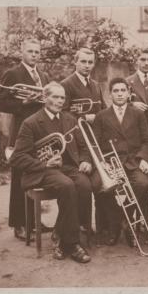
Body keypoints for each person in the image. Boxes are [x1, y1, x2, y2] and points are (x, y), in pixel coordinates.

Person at [9, 82, 93, 263]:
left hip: (68, 167)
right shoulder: (30, 122)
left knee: (85, 185)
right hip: (43, 169)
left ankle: (59, 232)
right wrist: (45, 162)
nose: (60, 101)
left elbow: (83, 146)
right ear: (45, 98)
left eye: (62, 97)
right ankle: (72, 244)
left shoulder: (70, 119)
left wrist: (86, 160)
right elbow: (17, 158)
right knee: (67, 186)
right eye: (55, 97)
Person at [0, 38, 49, 242]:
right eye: (30, 51)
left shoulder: (43, 75)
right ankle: (18, 224)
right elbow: (0, 102)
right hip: (21, 132)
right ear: (22, 52)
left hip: (40, 132)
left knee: (36, 175)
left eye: (37, 51)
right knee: (19, 177)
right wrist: (23, 102)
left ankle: (34, 221)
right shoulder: (13, 73)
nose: (34, 55)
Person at [91, 77, 148, 246]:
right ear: (110, 94)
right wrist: (102, 162)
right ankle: (116, 225)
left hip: (133, 161)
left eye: (123, 90)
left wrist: (142, 158)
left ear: (128, 93)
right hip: (110, 162)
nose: (119, 94)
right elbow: (95, 144)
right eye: (115, 91)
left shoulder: (138, 114)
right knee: (100, 185)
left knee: (142, 183)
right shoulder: (101, 116)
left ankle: (123, 223)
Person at [61, 47, 106, 237]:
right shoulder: (66, 84)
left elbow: (102, 110)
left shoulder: (95, 85)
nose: (87, 66)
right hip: (75, 141)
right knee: (83, 186)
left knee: (100, 183)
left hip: (93, 140)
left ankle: (103, 227)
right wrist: (84, 116)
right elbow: (62, 114)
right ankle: (81, 227)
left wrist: (99, 117)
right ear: (75, 62)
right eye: (83, 62)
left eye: (90, 62)